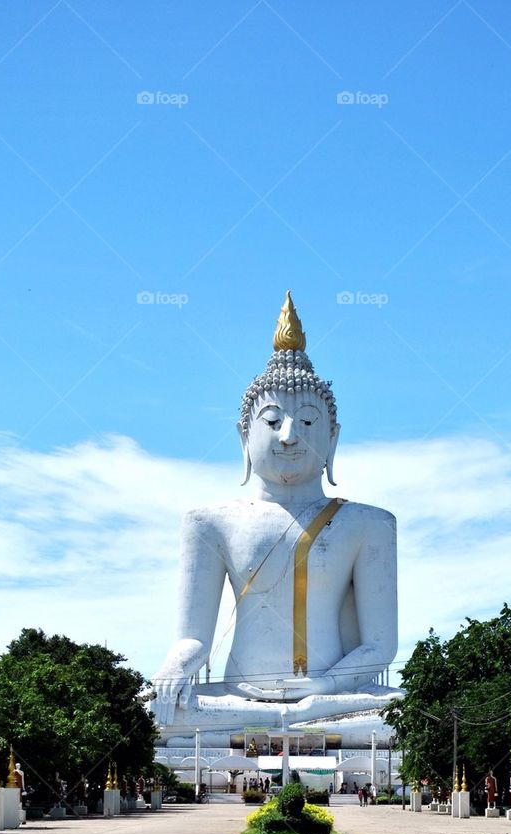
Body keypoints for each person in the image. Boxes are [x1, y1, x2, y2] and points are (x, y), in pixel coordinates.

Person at [152, 293, 401, 734]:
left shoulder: (368, 524)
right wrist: (173, 669)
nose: (289, 436)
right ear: (244, 437)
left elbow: (379, 646)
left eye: (307, 422)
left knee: (404, 714)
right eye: (272, 421)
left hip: (330, 698)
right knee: (153, 710)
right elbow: (194, 637)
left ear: (332, 437)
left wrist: (320, 690)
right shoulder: (209, 523)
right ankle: (286, 720)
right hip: (238, 696)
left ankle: (294, 718)